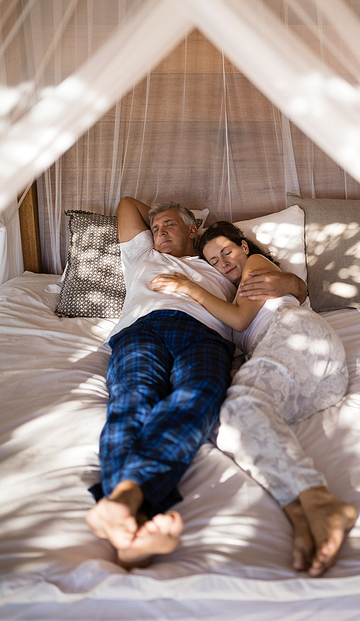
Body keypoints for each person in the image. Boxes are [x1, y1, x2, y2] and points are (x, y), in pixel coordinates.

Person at [86, 197, 304, 569]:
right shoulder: (142, 257)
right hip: (143, 329)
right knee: (134, 397)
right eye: (154, 228)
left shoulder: (219, 264)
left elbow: (289, 288)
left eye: (169, 225)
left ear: (193, 230)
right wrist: (160, 215)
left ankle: (123, 507)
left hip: (204, 335)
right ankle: (130, 512)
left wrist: (291, 281)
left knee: (199, 395)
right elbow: (126, 205)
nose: (159, 232)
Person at [151, 221, 357, 577]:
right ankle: (299, 511)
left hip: (298, 335)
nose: (223, 264)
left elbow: (242, 319)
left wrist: (188, 288)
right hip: (314, 375)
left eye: (226, 252)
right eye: (213, 261)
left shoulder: (258, 267)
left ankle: (320, 498)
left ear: (244, 247)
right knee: (223, 421)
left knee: (239, 408)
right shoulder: (235, 289)